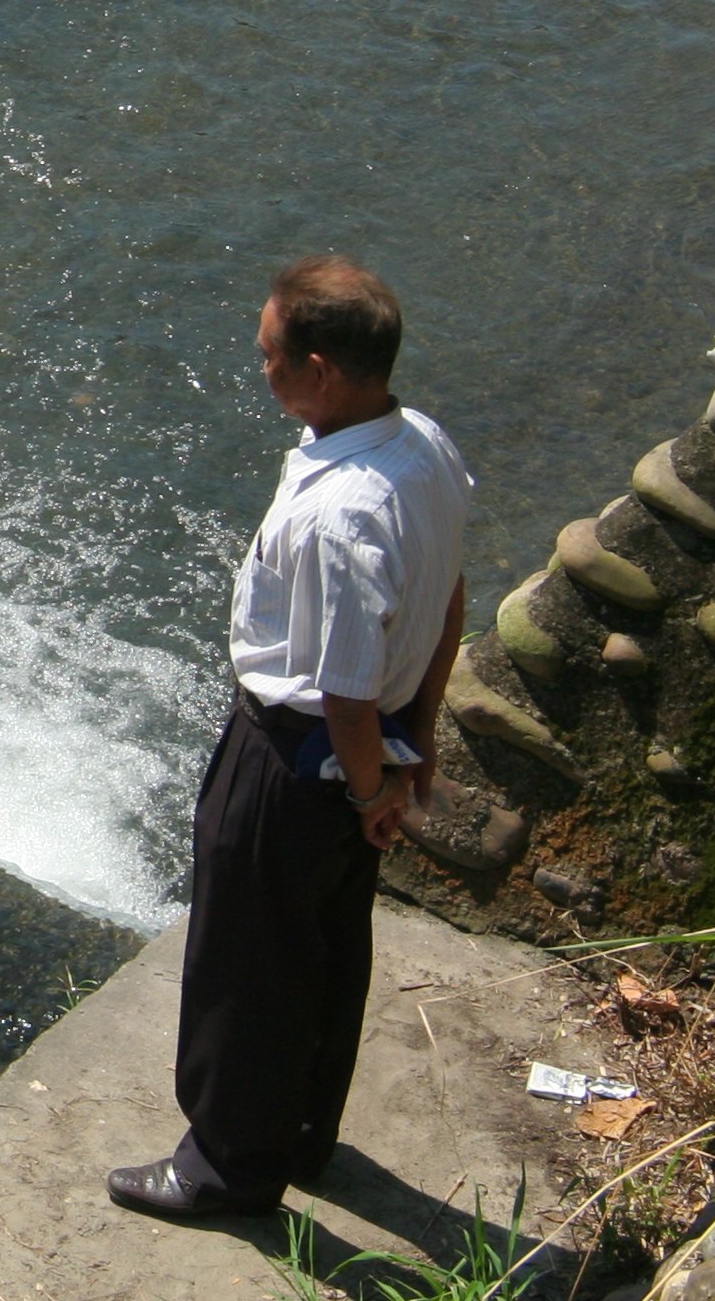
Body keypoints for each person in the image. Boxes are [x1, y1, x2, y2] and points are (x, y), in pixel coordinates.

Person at [107, 255, 471, 1220]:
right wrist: (419, 740)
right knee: (327, 946)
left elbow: (343, 695)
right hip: (373, 745)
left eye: (269, 355)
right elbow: (448, 598)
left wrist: (369, 791)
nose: (257, 367)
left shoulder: (341, 515)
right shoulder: (421, 445)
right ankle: (304, 1133)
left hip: (298, 759)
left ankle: (226, 1166)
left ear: (320, 370)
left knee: (247, 958)